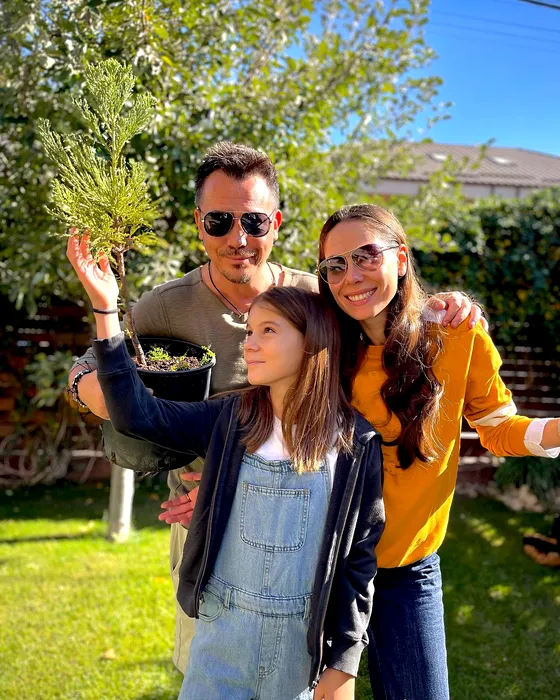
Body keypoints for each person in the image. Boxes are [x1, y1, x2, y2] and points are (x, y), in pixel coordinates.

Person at [67, 142, 482, 673]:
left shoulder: (320, 299)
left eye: (254, 221)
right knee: (213, 674)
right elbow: (93, 364)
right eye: (219, 221)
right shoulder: (166, 306)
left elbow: (388, 328)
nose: (238, 238)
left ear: (276, 223)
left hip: (303, 525)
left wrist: (446, 308)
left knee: (296, 674)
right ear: (199, 224)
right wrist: (110, 399)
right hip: (205, 529)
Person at [67, 230, 386, 699]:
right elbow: (136, 414)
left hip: (300, 656)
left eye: (268, 331)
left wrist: (344, 663)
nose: (249, 345)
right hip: (220, 645)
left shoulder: (355, 443)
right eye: (249, 332)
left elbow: (358, 560)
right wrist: (105, 309)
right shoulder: (230, 420)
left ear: (312, 341)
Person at [316, 203, 560, 700]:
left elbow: (497, 429)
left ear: (401, 257)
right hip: (322, 568)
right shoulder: (318, 345)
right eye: (335, 265)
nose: (351, 276)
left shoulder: (457, 334)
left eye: (366, 255)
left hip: (409, 570)